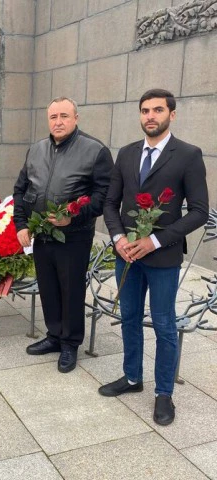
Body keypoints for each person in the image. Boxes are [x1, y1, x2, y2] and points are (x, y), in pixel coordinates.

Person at [100, 89, 209, 425]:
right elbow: (110, 203)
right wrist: (119, 239)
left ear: (171, 115)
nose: (150, 116)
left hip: (163, 258)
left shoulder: (188, 155)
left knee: (163, 325)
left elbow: (199, 212)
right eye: (145, 110)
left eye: (158, 110)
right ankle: (132, 378)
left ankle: (164, 393)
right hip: (127, 256)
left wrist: (156, 241)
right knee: (129, 318)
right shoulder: (127, 153)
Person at [13, 97, 113, 373]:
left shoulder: (95, 151)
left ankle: (70, 343)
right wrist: (21, 224)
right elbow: (20, 190)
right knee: (48, 287)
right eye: (53, 116)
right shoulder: (36, 150)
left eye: (64, 116)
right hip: (41, 234)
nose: (58, 122)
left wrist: (73, 216)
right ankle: (54, 335)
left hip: (74, 236)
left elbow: (103, 195)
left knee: (70, 290)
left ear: (76, 118)